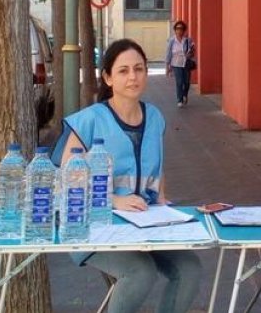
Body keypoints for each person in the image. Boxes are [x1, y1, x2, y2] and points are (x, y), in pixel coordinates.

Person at [53, 39, 202, 313]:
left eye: (139, 69)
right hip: (91, 223)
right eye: (123, 71)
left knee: (190, 269)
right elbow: (68, 180)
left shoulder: (155, 117)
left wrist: (162, 200)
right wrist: (114, 200)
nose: (133, 76)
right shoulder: (88, 121)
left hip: (142, 221)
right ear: (108, 77)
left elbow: (157, 167)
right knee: (140, 273)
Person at [164, 20, 196, 108]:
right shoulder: (172, 41)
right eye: (177, 28)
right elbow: (168, 53)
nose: (179, 30)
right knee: (179, 82)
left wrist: (190, 54)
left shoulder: (188, 40)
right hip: (176, 64)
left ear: (184, 30)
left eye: (181, 28)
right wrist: (167, 67)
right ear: (175, 30)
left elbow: (193, 50)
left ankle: (185, 94)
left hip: (186, 63)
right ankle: (180, 99)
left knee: (187, 82)